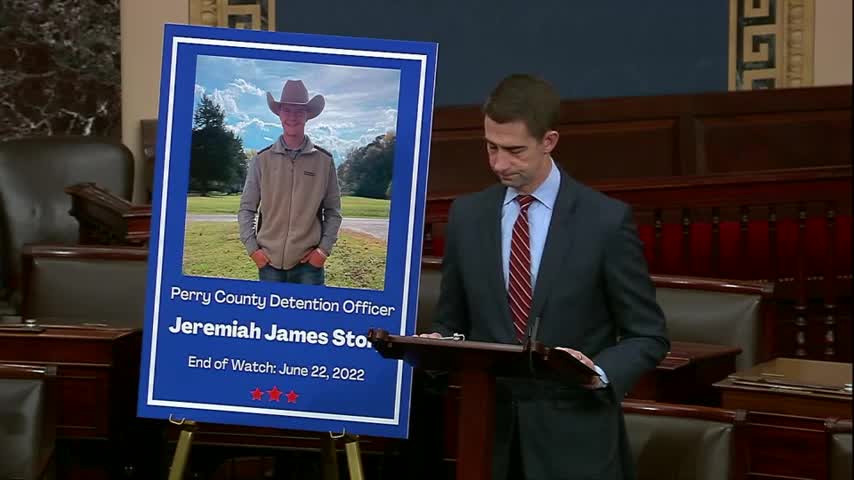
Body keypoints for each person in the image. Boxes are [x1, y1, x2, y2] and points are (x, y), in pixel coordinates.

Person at [422, 74, 669, 479]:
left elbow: (648, 335)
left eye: (514, 151)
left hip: (577, 443)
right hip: (490, 442)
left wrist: (598, 372)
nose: (499, 163)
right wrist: (436, 346)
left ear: (549, 142)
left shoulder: (604, 221)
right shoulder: (468, 217)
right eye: (491, 147)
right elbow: (453, 323)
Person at [238, 79, 342, 285]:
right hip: (269, 265)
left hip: (309, 268)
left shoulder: (324, 161)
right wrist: (253, 250)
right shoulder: (262, 159)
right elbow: (246, 208)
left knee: (309, 319)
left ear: (307, 116)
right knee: (270, 318)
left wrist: (322, 251)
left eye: (299, 111)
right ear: (279, 114)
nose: (292, 117)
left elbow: (333, 211)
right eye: (287, 110)